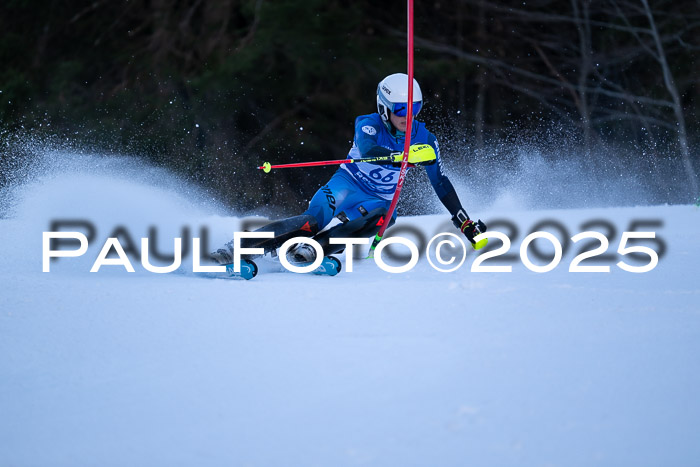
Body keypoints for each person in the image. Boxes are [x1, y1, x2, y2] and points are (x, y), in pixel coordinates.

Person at [211, 72, 486, 265]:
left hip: (380, 200)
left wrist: (464, 221)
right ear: (384, 108)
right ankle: (239, 248)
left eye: (414, 107)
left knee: (384, 217)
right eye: (400, 109)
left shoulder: (426, 139)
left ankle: (316, 249)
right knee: (312, 221)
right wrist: (403, 156)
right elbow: (368, 152)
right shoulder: (367, 124)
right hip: (347, 185)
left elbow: (441, 183)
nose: (407, 116)